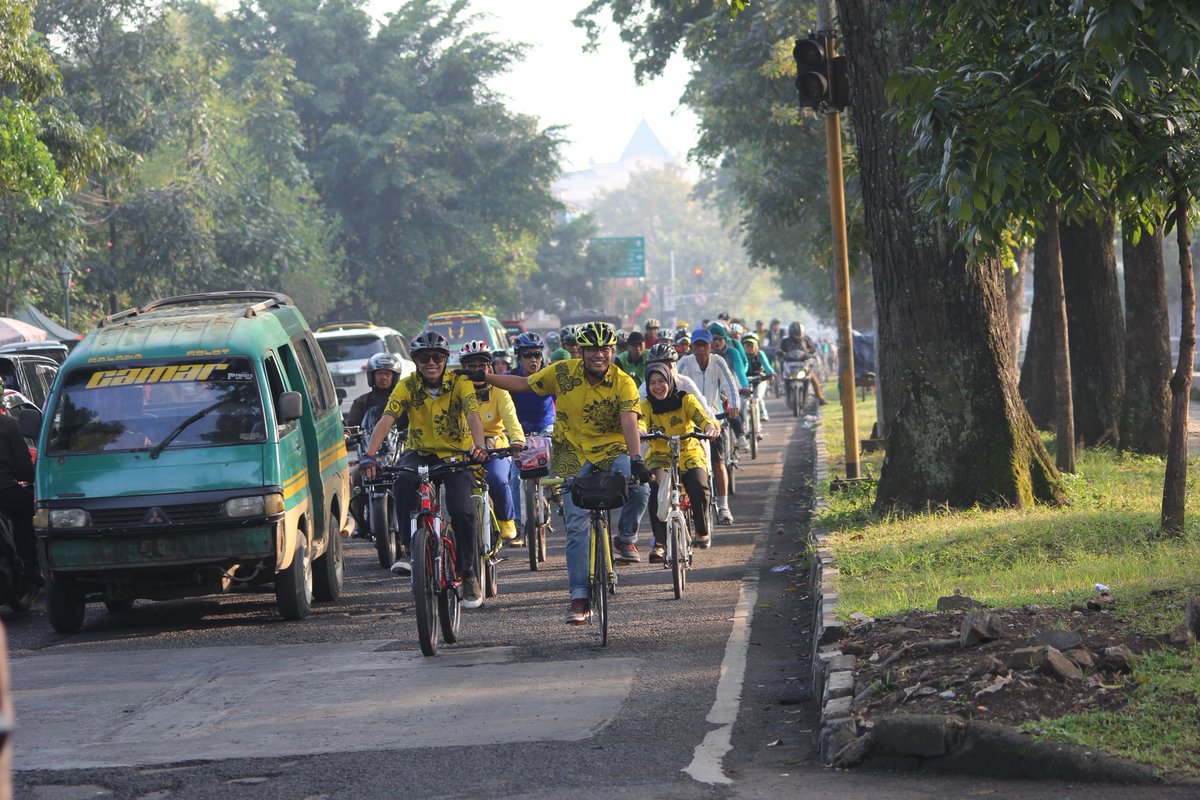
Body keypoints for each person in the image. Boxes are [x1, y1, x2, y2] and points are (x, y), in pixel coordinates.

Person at [474, 320, 651, 624]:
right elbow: (524, 384)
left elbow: (629, 421)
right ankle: (579, 597)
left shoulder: (624, 381)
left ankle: (625, 537)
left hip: (612, 450)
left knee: (641, 488)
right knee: (578, 527)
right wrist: (484, 376)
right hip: (571, 454)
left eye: (605, 349)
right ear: (581, 351)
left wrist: (636, 458)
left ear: (612, 351)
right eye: (593, 349)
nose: (600, 355)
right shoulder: (562, 372)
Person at [361, 330, 489, 608]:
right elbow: (387, 419)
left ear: (446, 358)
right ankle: (409, 549)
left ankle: (468, 572)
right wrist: (370, 455)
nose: (431, 362)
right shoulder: (407, 386)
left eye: (437, 357)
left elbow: (472, 415)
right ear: (414, 360)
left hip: (457, 456)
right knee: (403, 481)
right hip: (420, 453)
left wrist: (478, 446)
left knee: (462, 510)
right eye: (423, 357)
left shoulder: (460, 382)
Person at [641, 363, 720, 559]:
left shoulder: (686, 399)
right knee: (656, 489)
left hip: (689, 451)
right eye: (652, 383)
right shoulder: (646, 405)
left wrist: (709, 427)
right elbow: (639, 421)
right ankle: (660, 542)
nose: (657, 386)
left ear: (670, 380)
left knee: (699, 487)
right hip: (660, 455)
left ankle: (701, 531)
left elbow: (702, 417)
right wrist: (639, 431)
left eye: (661, 381)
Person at [458, 340, 524, 545]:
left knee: (497, 479)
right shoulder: (456, 391)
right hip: (464, 448)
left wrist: (518, 440)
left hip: (496, 447)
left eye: (482, 365)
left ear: (490, 367)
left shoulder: (500, 391)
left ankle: (506, 520)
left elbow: (511, 419)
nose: (477, 370)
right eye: (472, 366)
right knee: (456, 488)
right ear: (464, 369)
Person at [677, 328, 741, 525]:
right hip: (690, 424)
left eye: (705, 345)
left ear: (710, 346)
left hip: (713, 422)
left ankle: (723, 507)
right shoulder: (684, 363)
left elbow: (730, 384)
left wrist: (734, 405)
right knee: (685, 467)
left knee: (718, 463)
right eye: (697, 345)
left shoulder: (717, 362)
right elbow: (674, 385)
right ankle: (685, 503)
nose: (701, 349)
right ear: (692, 347)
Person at [345, 352, 403, 539]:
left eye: (388, 373)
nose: (384, 377)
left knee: (415, 480)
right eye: (379, 373)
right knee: (353, 479)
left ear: (395, 377)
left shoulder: (404, 400)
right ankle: (360, 524)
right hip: (369, 456)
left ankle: (415, 519)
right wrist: (346, 435)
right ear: (372, 376)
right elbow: (350, 428)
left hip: (398, 454)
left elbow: (415, 423)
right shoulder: (361, 402)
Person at [508, 332, 556, 537]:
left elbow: (562, 402)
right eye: (528, 355)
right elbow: (504, 407)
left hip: (546, 426)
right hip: (519, 430)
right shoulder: (510, 378)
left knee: (556, 464)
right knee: (514, 478)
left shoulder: (549, 376)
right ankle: (518, 523)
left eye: (537, 354)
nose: (533, 359)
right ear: (519, 357)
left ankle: (554, 494)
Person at [0, 407, 37, 589]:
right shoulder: (7, 424)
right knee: (30, 509)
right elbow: (24, 468)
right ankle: (30, 566)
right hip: (5, 491)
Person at [781, 322, 826, 404]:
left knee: (813, 378)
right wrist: (781, 354)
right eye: (796, 334)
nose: (797, 336)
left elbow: (813, 348)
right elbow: (781, 350)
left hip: (803, 364)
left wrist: (809, 353)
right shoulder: (785, 341)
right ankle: (782, 388)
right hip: (790, 365)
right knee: (784, 374)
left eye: (799, 334)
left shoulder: (806, 339)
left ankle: (820, 397)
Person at [741, 333, 776, 425]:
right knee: (743, 401)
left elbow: (766, 365)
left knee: (757, 398)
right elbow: (740, 368)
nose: (749, 348)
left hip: (759, 379)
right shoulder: (741, 356)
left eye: (751, 345)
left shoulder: (760, 354)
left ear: (756, 346)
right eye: (747, 345)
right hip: (745, 381)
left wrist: (771, 373)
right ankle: (743, 420)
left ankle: (763, 413)